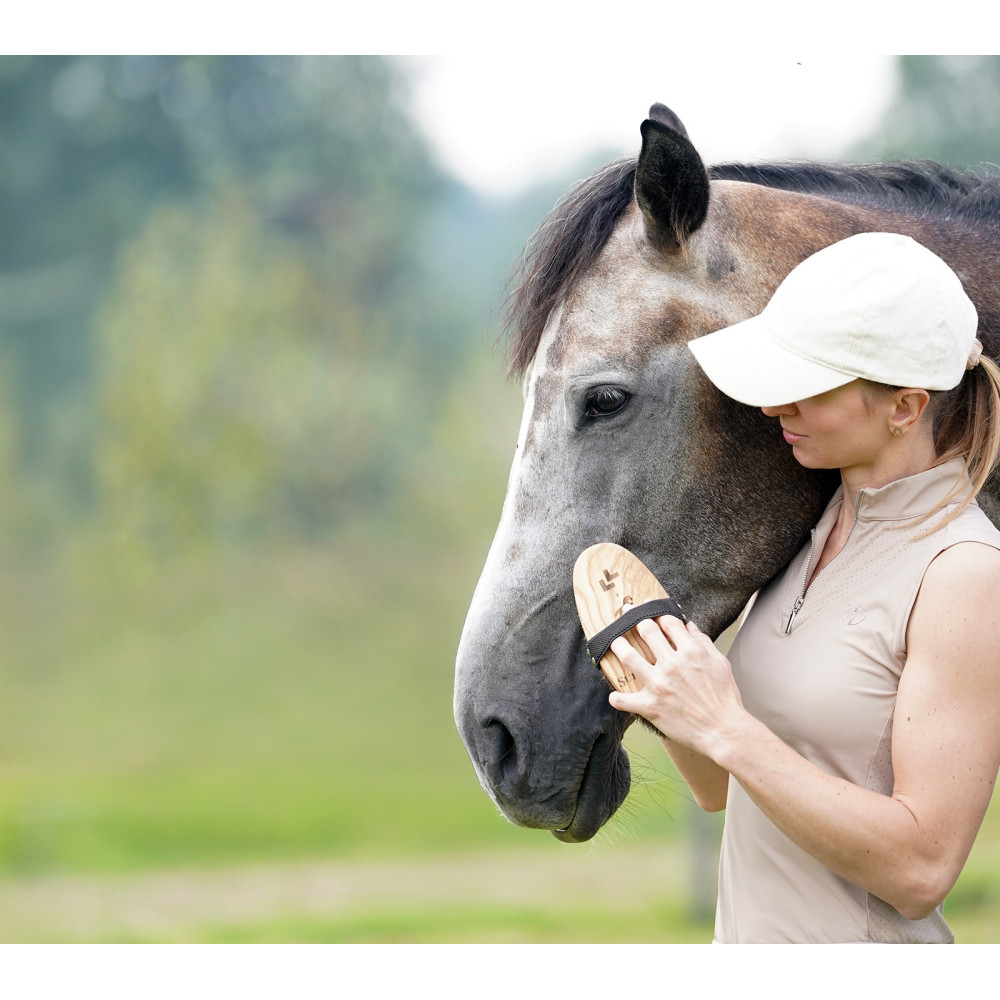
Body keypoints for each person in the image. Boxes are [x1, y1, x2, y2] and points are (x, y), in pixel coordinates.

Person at [607, 232, 1000, 943]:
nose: (772, 407)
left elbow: (922, 870)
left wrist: (729, 726)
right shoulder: (811, 535)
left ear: (905, 408)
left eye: (807, 387)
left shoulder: (964, 573)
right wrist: (669, 684)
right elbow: (723, 788)